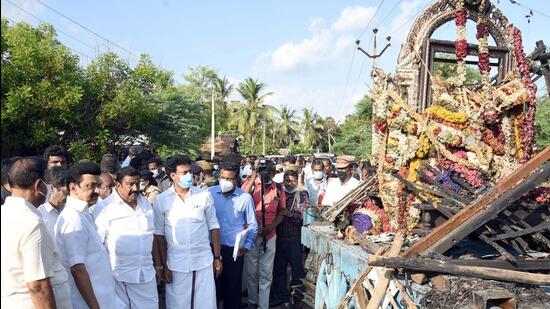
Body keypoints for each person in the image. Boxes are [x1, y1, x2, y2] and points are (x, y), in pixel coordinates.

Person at [153, 155, 222, 308]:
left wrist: (217, 257)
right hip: (176, 264)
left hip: (203, 261)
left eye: (190, 172)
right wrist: (162, 266)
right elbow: (158, 236)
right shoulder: (162, 200)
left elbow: (214, 226)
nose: (189, 175)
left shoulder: (204, 195)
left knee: (205, 304)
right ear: (173, 175)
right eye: (184, 173)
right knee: (177, 304)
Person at [1, 156, 71, 308]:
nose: (49, 188)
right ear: (39, 185)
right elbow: (38, 285)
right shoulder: (31, 222)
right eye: (47, 184)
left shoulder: (4, 213)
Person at [55, 161, 121, 308]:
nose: (96, 191)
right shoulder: (74, 219)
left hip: (102, 298)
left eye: (98, 185)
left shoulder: (83, 214)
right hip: (88, 303)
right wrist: (94, 306)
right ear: (73, 188)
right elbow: (77, 269)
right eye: (90, 186)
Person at [94, 167, 158, 309]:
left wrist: (158, 266)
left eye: (137, 183)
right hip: (119, 277)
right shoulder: (105, 207)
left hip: (146, 274)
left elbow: (151, 236)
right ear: (118, 185)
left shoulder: (145, 203)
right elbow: (97, 245)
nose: (135, 188)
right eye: (130, 184)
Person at [206, 160, 258, 309]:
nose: (225, 181)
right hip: (211, 249)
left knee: (233, 289)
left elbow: (253, 225)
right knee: (212, 288)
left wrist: (247, 246)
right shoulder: (209, 194)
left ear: (236, 179)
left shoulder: (245, 198)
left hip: (233, 251)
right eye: (223, 177)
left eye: (229, 179)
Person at [241, 160, 286, 309]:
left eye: (269, 174)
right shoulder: (251, 184)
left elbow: (282, 212)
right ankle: (252, 302)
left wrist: (271, 226)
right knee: (252, 272)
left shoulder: (278, 188)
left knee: (266, 273)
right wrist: (254, 176)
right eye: (264, 174)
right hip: (252, 235)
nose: (266, 177)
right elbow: (241, 198)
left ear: (273, 174)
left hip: (270, 235)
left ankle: (263, 305)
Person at [272, 170, 310, 308]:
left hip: (295, 239)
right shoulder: (278, 193)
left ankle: (297, 299)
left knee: (296, 271)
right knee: (279, 270)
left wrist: (288, 214)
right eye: (287, 181)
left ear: (297, 180)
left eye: (293, 181)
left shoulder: (302, 194)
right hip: (278, 237)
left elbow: (304, 217)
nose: (289, 183)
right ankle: (282, 298)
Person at [37, 166, 70, 235]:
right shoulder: (40, 214)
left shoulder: (70, 210)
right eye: (65, 192)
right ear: (52, 188)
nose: (68, 196)